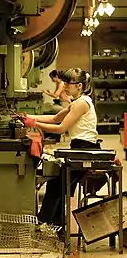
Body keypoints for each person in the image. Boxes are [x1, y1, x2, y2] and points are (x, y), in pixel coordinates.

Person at [14, 68, 101, 227]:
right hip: (80, 148)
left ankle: (44, 223)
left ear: (80, 86)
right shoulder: (77, 102)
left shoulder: (81, 103)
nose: (65, 86)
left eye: (68, 83)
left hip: (84, 150)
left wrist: (34, 124)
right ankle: (57, 224)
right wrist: (28, 117)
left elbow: (60, 128)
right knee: (59, 184)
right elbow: (54, 118)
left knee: (57, 184)